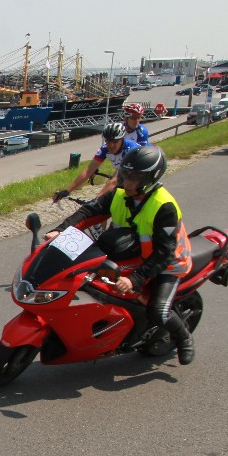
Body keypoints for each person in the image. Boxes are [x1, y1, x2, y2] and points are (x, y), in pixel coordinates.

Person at [45, 145, 195, 365]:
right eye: (125, 175)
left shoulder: (164, 206)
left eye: (134, 178)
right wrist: (60, 230)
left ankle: (184, 338)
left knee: (158, 311)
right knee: (84, 281)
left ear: (150, 178)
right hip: (129, 254)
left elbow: (164, 252)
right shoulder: (119, 193)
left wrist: (135, 279)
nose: (127, 182)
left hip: (168, 263)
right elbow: (89, 211)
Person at [54, 122, 139, 202]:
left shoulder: (131, 151)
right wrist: (67, 191)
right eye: (108, 141)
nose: (111, 145)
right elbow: (88, 170)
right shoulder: (105, 149)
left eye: (115, 142)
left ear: (122, 139)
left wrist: (96, 200)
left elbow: (114, 181)